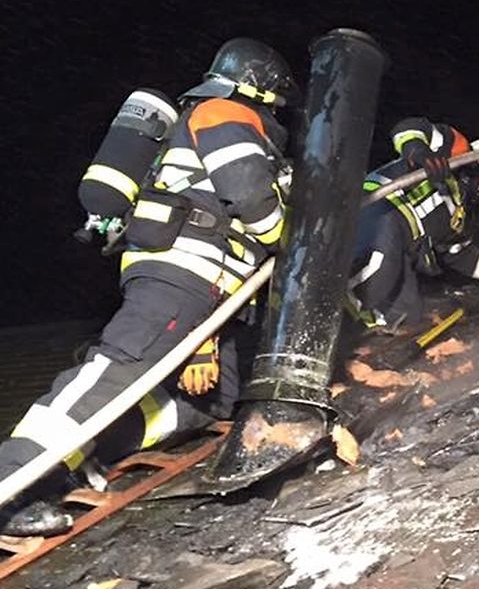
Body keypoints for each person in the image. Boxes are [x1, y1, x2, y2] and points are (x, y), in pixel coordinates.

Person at [0, 38, 297, 537]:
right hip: (184, 272)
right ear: (260, 84)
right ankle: (12, 479)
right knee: (114, 373)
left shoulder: (220, 115)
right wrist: (289, 240)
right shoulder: (223, 111)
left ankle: (80, 454)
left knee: (212, 402)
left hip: (209, 283)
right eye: (278, 96)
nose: (280, 108)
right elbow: (248, 192)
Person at [347, 118, 479, 331]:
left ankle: (354, 330)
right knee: (379, 268)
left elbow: (461, 256)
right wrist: (418, 151)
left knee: (408, 314)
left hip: (403, 248)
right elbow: (407, 128)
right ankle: (326, 307)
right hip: (376, 207)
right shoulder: (453, 151)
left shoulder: (460, 216)